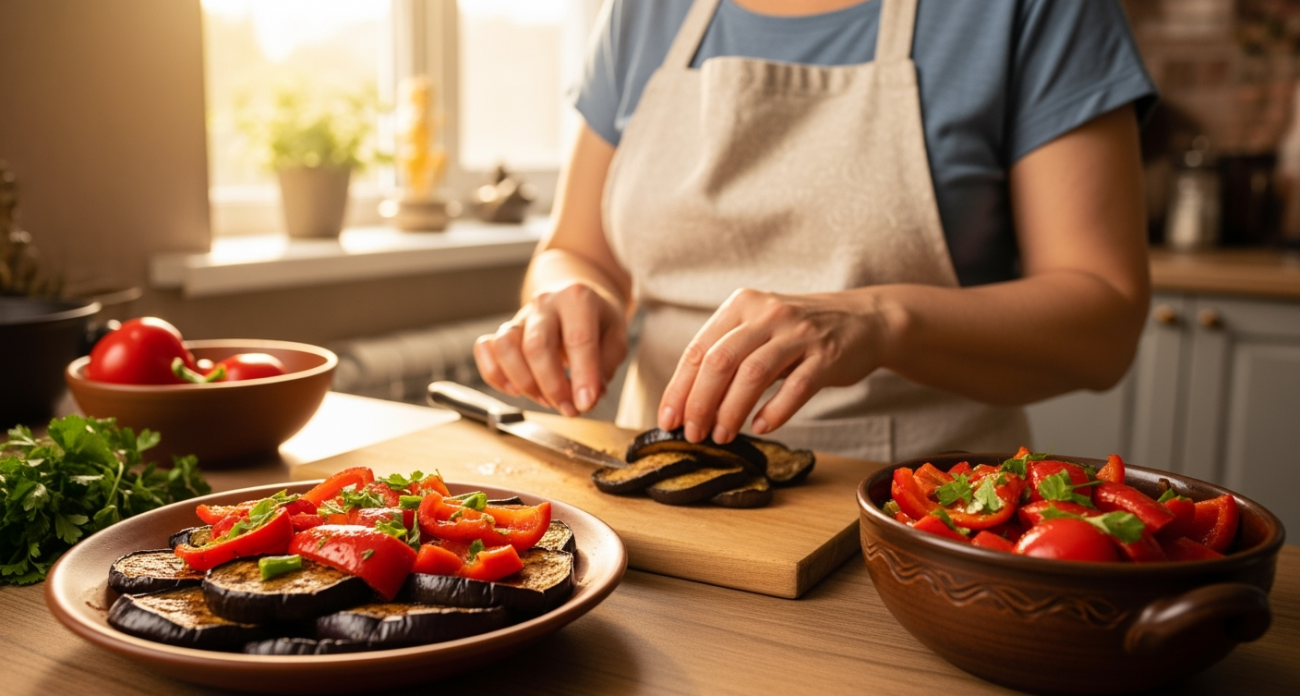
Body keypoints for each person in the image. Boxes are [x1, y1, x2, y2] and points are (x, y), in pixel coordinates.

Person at [473, 0, 1156, 462]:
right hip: (656, 498)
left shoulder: (1037, 12)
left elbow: (1105, 323)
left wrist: (879, 319)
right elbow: (574, 251)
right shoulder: (644, 11)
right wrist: (570, 298)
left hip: (921, 523)